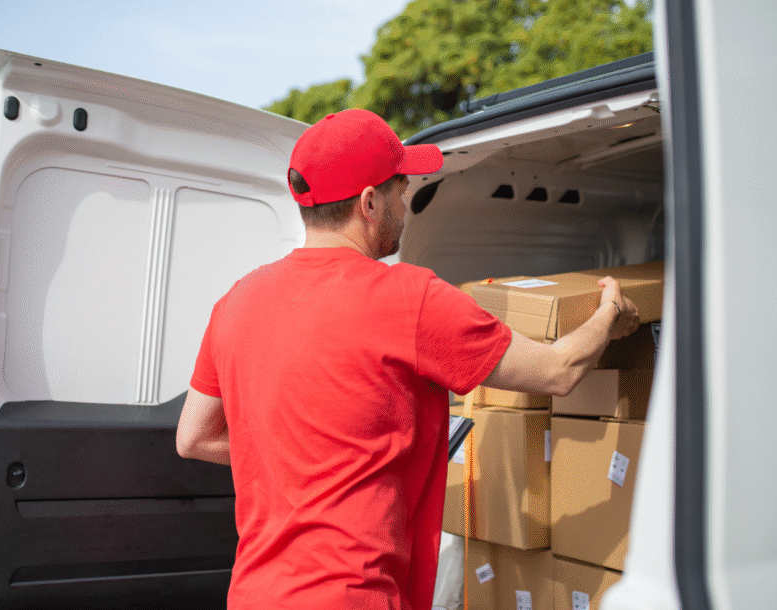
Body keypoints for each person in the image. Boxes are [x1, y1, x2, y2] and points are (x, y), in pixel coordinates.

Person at [176, 108, 640, 610]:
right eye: (403, 189)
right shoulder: (409, 298)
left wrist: (303, 462)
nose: (408, 203)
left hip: (252, 596)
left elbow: (194, 437)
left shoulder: (236, 302)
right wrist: (608, 314)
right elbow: (559, 370)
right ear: (369, 202)